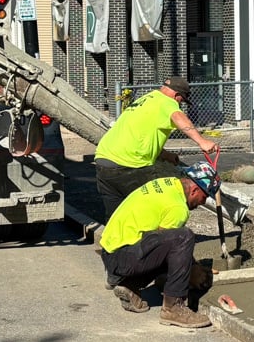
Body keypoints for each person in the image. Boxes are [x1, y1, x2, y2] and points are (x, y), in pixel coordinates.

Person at [99, 166, 217, 328]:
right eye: (204, 197)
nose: (202, 203)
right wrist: (192, 270)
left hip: (111, 252)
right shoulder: (178, 208)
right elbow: (173, 248)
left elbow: (160, 245)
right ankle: (173, 308)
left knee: (169, 244)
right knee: (184, 236)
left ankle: (130, 286)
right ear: (195, 190)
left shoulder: (166, 183)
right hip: (124, 258)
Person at [92, 76, 220, 219]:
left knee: (116, 216)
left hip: (103, 160)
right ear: (177, 95)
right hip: (128, 165)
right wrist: (202, 141)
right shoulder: (167, 102)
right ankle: (160, 237)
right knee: (153, 206)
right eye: (181, 100)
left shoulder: (145, 100)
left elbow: (141, 136)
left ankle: (117, 240)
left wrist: (166, 155)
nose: (180, 104)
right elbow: (178, 117)